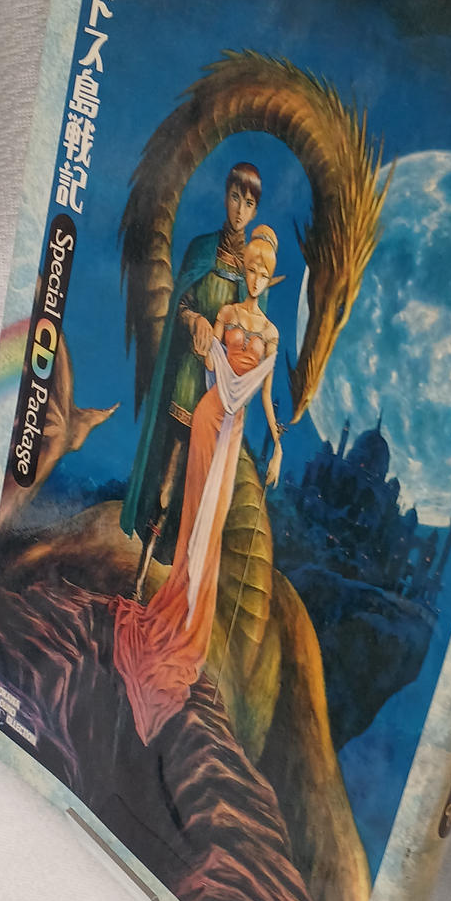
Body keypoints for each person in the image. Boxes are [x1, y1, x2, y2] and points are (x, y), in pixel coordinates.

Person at [112, 225, 285, 745]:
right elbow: (210, 362)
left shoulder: (271, 333)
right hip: (210, 416)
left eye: (263, 272)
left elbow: (266, 396)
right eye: (250, 269)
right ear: (245, 270)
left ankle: (190, 622)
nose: (255, 278)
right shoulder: (226, 315)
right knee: (193, 517)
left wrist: (278, 447)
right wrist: (200, 333)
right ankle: (176, 607)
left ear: (270, 278)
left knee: (214, 526)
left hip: (234, 430)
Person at [121, 162, 264, 588]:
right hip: (188, 380)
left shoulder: (254, 270)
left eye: (249, 203)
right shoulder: (202, 248)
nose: (239, 210)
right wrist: (195, 321)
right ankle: (139, 579)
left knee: (203, 492)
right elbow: (181, 304)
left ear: (255, 211)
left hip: (222, 393)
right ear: (225, 196)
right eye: (235, 197)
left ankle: (178, 589)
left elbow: (255, 338)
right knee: (167, 483)